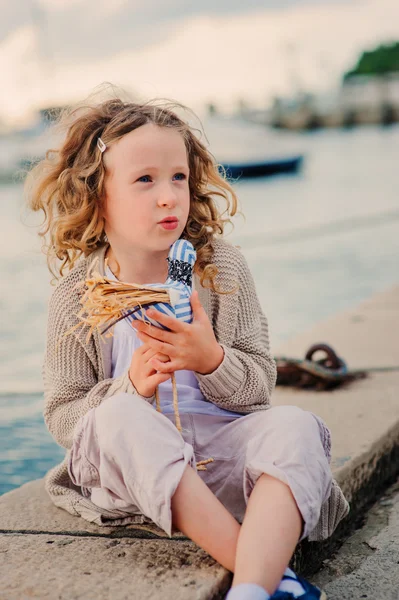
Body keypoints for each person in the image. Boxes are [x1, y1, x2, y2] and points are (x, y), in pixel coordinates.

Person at [26, 94, 349, 600]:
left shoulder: (219, 268)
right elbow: (65, 417)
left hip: (221, 460)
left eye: (178, 177)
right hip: (133, 478)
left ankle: (247, 592)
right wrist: (129, 387)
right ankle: (265, 574)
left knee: (296, 425)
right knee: (118, 416)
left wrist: (211, 360)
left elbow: (259, 387)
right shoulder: (77, 295)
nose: (168, 196)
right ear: (97, 195)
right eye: (144, 180)